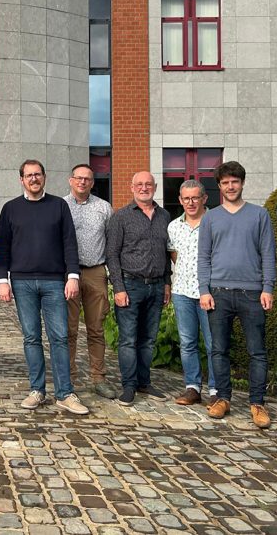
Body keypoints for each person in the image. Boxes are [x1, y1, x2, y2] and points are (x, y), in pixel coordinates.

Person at [0, 159, 89, 415]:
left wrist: (73, 276)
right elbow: (2, 246)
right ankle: (37, 390)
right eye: (28, 175)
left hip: (54, 281)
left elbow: (69, 242)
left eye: (37, 174)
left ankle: (65, 393)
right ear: (21, 179)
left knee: (59, 337)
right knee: (31, 338)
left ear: (44, 177)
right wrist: (2, 280)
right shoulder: (10, 208)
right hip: (22, 281)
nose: (33, 179)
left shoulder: (58, 206)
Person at [197, 161, 276, 428]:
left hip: (252, 292)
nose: (231, 186)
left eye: (235, 181)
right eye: (225, 183)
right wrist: (204, 290)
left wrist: (268, 287)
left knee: (257, 351)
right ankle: (222, 398)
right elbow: (203, 257)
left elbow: (268, 253)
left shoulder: (259, 215)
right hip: (218, 293)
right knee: (218, 350)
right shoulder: (211, 218)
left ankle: (257, 403)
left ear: (242, 183)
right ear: (219, 186)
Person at [105, 171, 172, 406]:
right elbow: (112, 255)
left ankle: (144, 382)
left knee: (148, 339)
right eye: (139, 184)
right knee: (128, 339)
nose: (144, 188)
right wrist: (119, 288)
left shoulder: (165, 216)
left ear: (155, 187)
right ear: (132, 187)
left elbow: (166, 252)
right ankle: (129, 386)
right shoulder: (120, 217)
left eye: (148, 184)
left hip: (156, 286)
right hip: (131, 285)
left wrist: (166, 283)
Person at [63, 163, 115, 400]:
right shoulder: (60, 206)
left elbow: (112, 244)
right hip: (67, 275)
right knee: (68, 329)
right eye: (78, 178)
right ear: (70, 180)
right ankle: (69, 377)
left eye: (87, 179)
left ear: (93, 183)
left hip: (95, 271)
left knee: (96, 328)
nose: (83, 182)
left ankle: (98, 377)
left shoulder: (104, 208)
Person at [167, 179, 218, 406]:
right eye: (186, 198)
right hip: (182, 292)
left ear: (204, 199)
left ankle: (216, 390)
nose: (190, 202)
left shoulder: (215, 221)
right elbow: (174, 255)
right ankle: (192, 387)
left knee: (213, 343)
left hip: (209, 292)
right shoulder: (173, 226)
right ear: (180, 200)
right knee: (187, 342)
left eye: (195, 197)